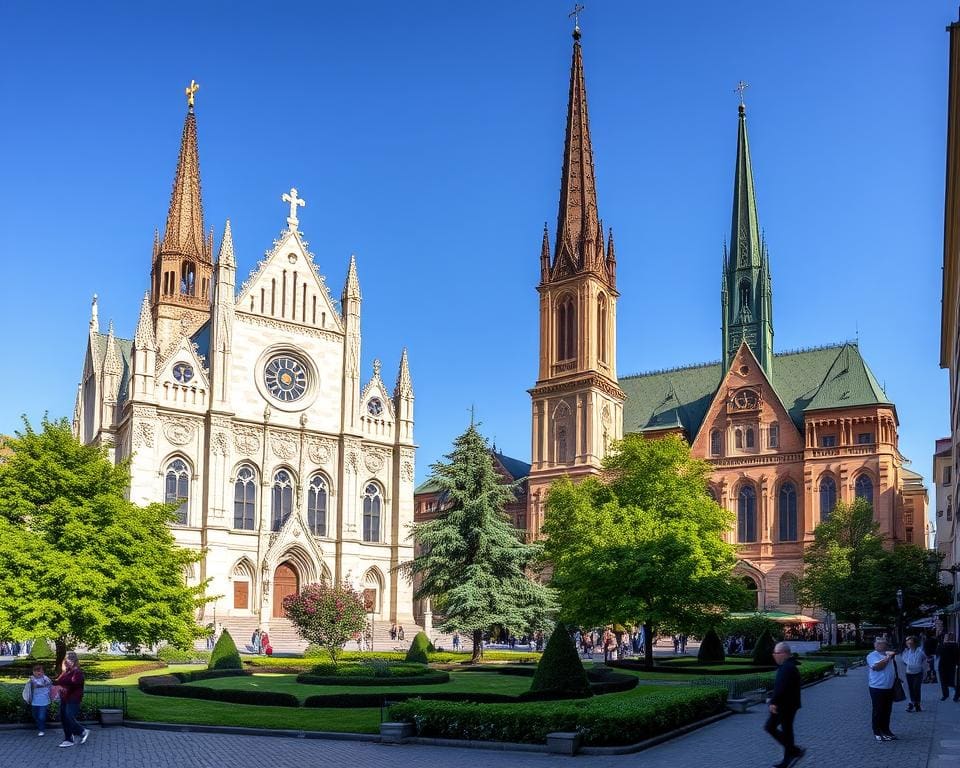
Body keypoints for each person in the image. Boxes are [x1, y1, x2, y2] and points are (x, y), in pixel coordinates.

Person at [764, 642, 804, 768]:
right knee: (785, 730)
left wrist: (773, 702)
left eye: (776, 653)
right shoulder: (789, 666)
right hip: (789, 704)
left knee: (773, 727)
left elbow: (781, 687)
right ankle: (791, 754)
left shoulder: (787, 667)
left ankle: (792, 752)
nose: (774, 656)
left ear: (784, 654)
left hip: (785, 705)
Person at [866, 637, 898, 742]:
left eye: (882, 643)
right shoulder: (872, 655)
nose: (879, 645)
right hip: (877, 687)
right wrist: (888, 657)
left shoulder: (889, 655)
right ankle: (877, 731)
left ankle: (886, 730)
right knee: (878, 710)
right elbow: (877, 667)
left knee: (887, 710)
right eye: (877, 643)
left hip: (889, 687)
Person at [54, 651, 89, 748]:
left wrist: (61, 683)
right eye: (65, 660)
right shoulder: (66, 672)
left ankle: (82, 731)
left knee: (69, 716)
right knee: (64, 718)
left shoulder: (77, 672)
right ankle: (68, 739)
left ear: (73, 661)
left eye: (68, 660)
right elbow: (59, 681)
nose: (66, 662)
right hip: (65, 697)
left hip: (73, 698)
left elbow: (75, 682)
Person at [23, 663, 52, 736]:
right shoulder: (31, 680)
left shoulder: (45, 678)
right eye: (36, 671)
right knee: (35, 715)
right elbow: (27, 689)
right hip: (34, 701)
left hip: (44, 701)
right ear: (33, 672)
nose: (38, 673)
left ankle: (41, 730)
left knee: (41, 716)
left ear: (43, 672)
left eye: (40, 671)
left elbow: (43, 684)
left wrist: (34, 681)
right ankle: (40, 725)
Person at [901, 635, 927, 712]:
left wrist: (923, 668)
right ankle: (912, 703)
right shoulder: (906, 652)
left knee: (916, 688)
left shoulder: (920, 652)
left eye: (911, 643)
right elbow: (903, 661)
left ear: (915, 643)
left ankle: (917, 703)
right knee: (910, 688)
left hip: (918, 673)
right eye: (908, 643)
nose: (910, 644)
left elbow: (924, 659)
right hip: (909, 673)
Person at [938, 632, 960, 701]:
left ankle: (946, 695)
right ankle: (956, 696)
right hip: (952, 665)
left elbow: (938, 652)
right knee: (955, 681)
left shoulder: (944, 645)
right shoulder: (955, 645)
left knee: (945, 681)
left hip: (944, 665)